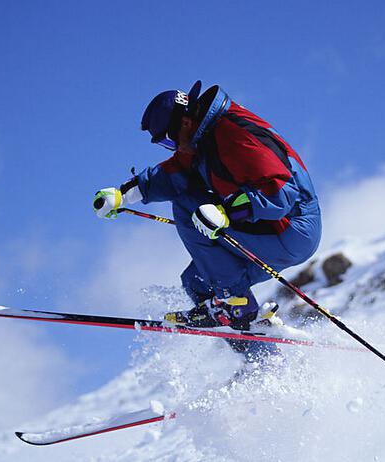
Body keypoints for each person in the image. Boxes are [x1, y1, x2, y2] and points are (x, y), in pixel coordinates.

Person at [93, 80, 321, 359]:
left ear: (186, 122)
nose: (171, 148)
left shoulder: (234, 133)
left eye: (168, 140)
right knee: (198, 282)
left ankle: (233, 304)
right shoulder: (204, 139)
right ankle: (263, 362)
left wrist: (228, 213)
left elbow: (281, 191)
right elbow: (174, 173)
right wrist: (123, 195)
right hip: (267, 228)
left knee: (189, 208)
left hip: (290, 228)